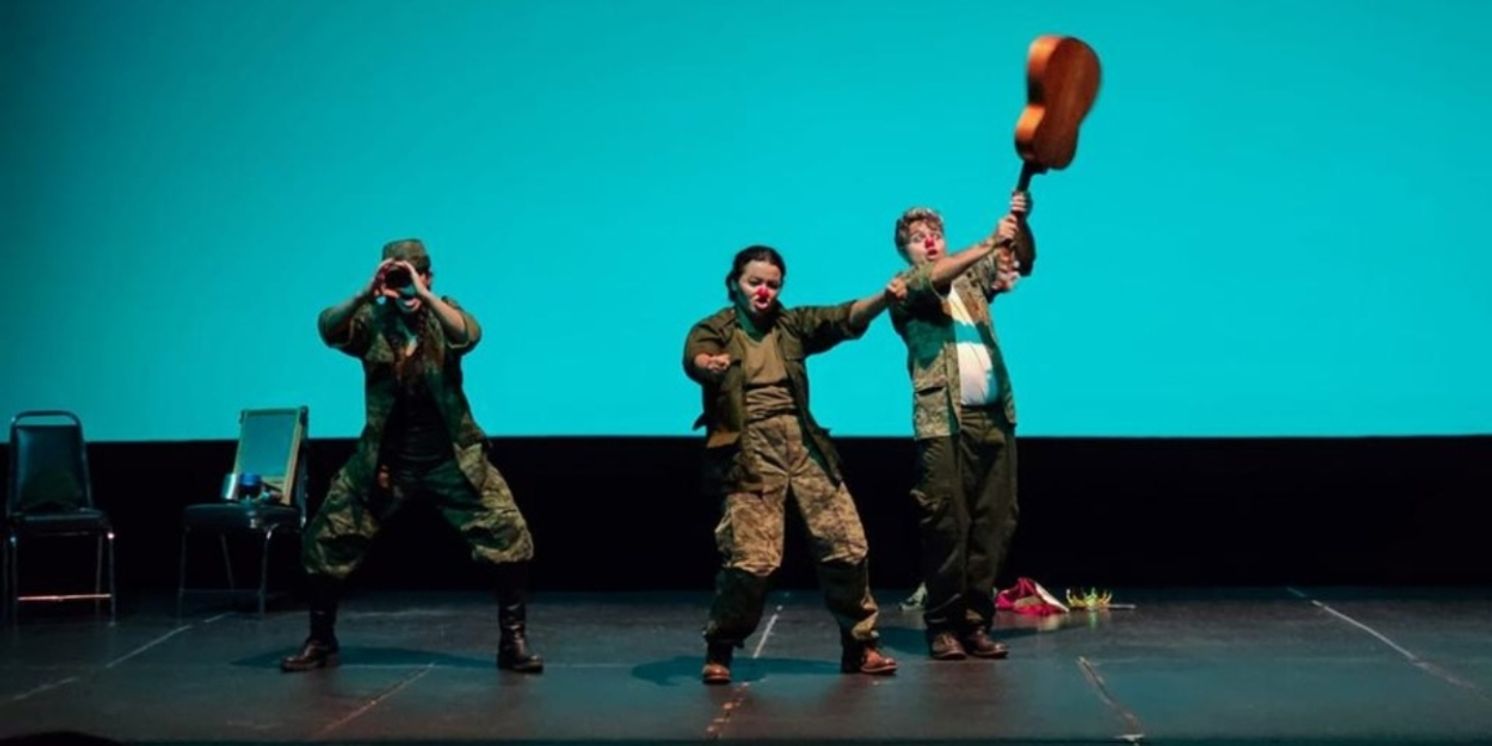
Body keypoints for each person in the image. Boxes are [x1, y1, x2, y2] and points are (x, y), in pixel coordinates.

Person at [281, 239, 542, 674]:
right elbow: (328, 329)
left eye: (413, 276)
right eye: (397, 278)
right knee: (328, 538)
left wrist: (423, 296)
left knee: (508, 534)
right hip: (385, 461)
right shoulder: (370, 321)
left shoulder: (442, 313)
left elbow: (469, 334)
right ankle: (320, 639)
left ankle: (511, 642)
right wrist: (366, 293)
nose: (404, 287)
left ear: (429, 276)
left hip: (451, 457)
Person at [683, 245, 904, 684]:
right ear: (735, 284)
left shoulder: (792, 324)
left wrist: (884, 298)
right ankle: (721, 647)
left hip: (802, 443)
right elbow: (697, 358)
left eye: (772, 284)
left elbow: (843, 318)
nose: (763, 291)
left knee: (845, 545)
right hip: (749, 450)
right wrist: (709, 365)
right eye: (754, 282)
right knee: (752, 560)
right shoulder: (715, 328)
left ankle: (859, 645)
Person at [888, 194, 1034, 660]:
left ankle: (974, 621)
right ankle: (943, 625)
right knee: (947, 525)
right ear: (905, 251)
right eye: (916, 238)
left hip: (994, 417)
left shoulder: (972, 280)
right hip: (944, 424)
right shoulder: (905, 288)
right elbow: (935, 278)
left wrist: (1018, 225)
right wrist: (991, 239)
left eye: (934, 233)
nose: (928, 241)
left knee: (996, 520)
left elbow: (1021, 263)